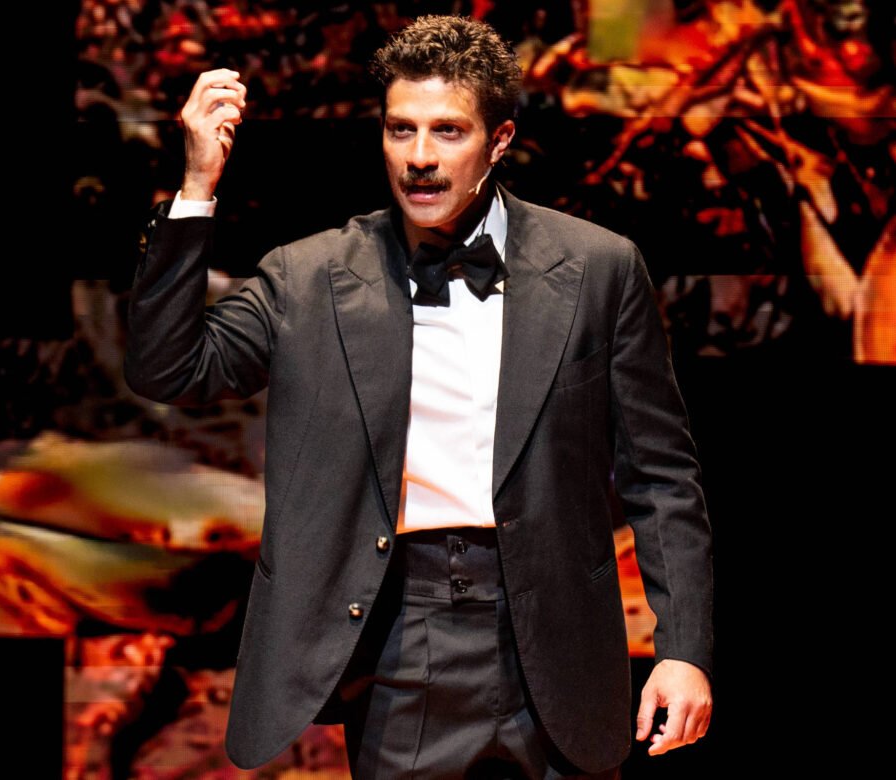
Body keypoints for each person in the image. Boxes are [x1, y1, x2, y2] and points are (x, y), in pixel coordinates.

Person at [125, 15, 713, 779]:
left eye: (447, 131)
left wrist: (683, 650)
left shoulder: (598, 269)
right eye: (401, 129)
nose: (420, 157)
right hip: (399, 632)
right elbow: (170, 370)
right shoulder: (310, 277)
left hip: (560, 632)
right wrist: (198, 187)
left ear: (498, 142)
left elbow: (662, 477)